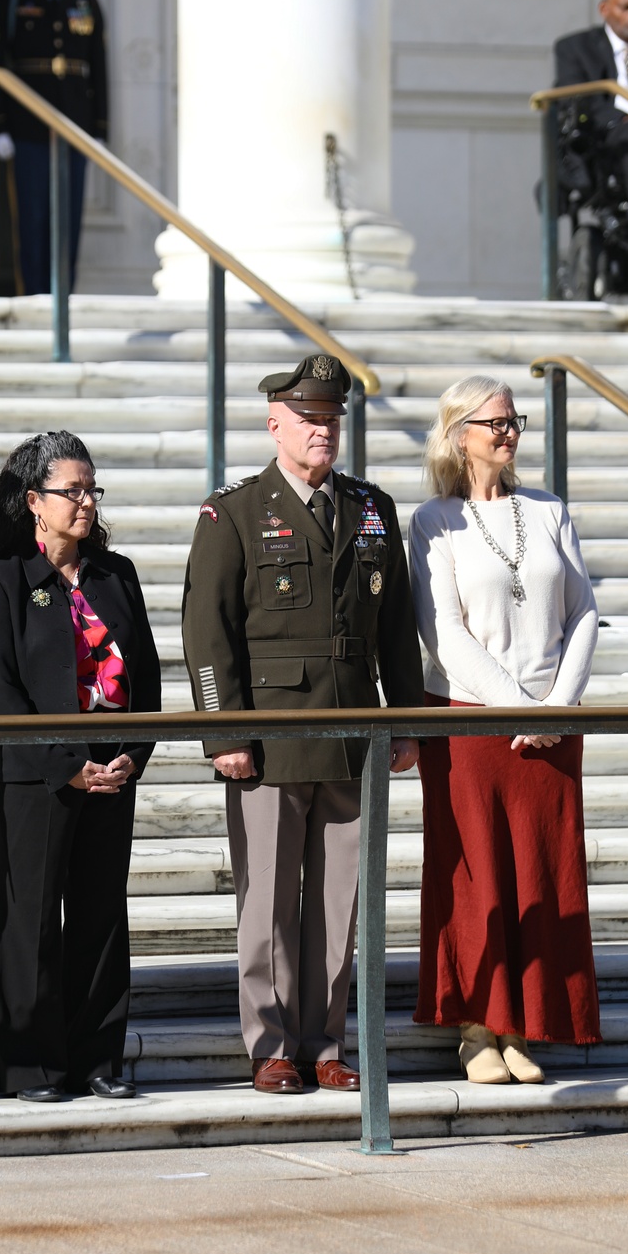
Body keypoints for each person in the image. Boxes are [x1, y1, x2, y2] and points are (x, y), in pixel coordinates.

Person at [181, 355, 423, 1095]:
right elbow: (206, 631)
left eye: (333, 418)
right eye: (310, 419)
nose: (323, 430)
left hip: (352, 733)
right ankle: (271, 1042)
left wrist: (405, 721)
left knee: (336, 899)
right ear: (275, 423)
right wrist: (224, 734)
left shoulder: (369, 508)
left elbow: (397, 627)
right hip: (271, 734)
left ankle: (325, 1041)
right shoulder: (236, 512)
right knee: (268, 897)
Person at [408, 377, 601, 1084]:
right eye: (495, 423)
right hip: (469, 723)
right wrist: (517, 707)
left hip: (552, 720)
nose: (509, 432)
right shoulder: (434, 521)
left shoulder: (548, 510)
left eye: (515, 420)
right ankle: (475, 1028)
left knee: (540, 876)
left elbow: (582, 612)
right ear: (461, 434)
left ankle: (522, 1026)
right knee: (476, 874)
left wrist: (558, 704)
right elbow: (445, 633)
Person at [0, 431, 160, 1102]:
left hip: (114, 772)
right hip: (39, 778)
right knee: (33, 919)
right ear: (33, 501)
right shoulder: (2, 581)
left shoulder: (115, 574)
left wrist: (134, 754)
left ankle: (96, 1058)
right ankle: (34, 1066)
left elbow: (149, 681)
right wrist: (66, 765)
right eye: (70, 490)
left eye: (91, 489)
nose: (85, 502)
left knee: (101, 916)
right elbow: (1, 692)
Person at [0, 0, 107, 294]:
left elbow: (98, 68)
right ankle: (34, 295)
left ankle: (61, 297)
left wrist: (99, 128)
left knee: (67, 220)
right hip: (28, 126)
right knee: (33, 217)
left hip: (74, 126)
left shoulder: (83, 1)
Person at [555, 0, 628, 228]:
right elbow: (575, 97)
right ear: (605, 9)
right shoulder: (576, 48)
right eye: (627, 7)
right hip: (609, 136)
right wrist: (624, 119)